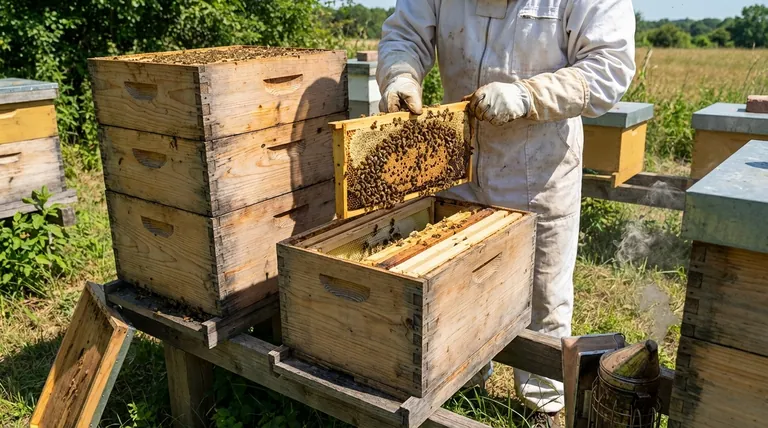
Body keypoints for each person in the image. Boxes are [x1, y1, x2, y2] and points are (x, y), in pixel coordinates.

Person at [376, 0, 636, 426]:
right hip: (458, 159)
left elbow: (609, 67)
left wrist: (527, 95)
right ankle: (463, 381)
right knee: (459, 281)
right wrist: (400, 74)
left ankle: (542, 402)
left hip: (539, 169)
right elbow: (406, 33)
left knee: (542, 292)